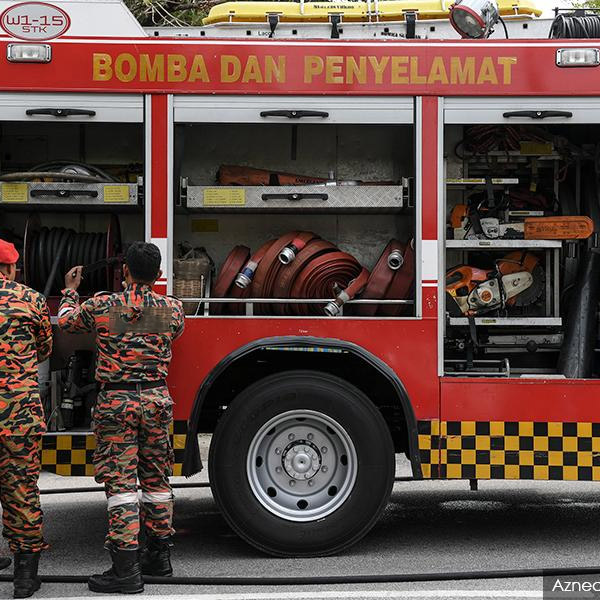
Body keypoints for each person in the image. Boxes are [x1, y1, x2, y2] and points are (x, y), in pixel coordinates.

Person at [58, 242, 184, 594]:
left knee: (122, 487)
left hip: (116, 403)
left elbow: (66, 322)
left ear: (124, 270)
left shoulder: (102, 306)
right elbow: (171, 331)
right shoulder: (172, 309)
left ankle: (126, 570)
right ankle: (159, 559)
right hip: (156, 401)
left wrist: (70, 291)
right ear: (159, 275)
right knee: (157, 481)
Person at [0, 239, 52, 599]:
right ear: (10, 268)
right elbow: (44, 348)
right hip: (18, 412)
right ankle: (24, 576)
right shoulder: (31, 300)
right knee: (21, 490)